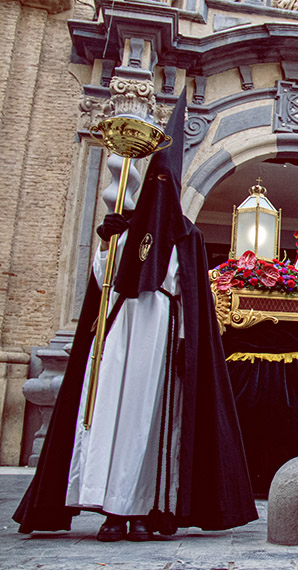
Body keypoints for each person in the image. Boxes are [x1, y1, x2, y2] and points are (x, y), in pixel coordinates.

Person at [14, 89, 257, 540]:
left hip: (159, 338)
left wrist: (185, 342)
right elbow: (102, 286)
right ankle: (110, 507)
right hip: (119, 333)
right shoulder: (123, 234)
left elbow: (189, 296)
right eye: (156, 186)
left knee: (150, 424)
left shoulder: (187, 237)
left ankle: (149, 507)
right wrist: (109, 245)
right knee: (111, 417)